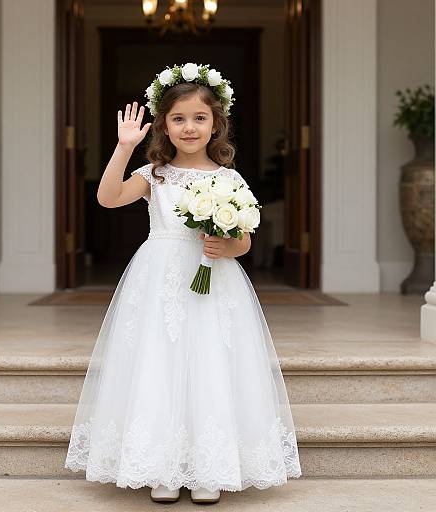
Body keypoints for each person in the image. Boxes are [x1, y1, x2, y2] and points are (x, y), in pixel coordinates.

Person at [64, 63, 302, 504]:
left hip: (215, 283)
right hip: (160, 278)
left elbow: (245, 241)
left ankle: (209, 466)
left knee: (211, 361)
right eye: (178, 119)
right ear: (164, 127)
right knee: (160, 360)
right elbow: (107, 198)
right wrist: (123, 147)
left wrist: (226, 248)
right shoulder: (154, 175)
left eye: (199, 118)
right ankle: (162, 465)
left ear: (216, 125)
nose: (189, 127)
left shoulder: (228, 179)